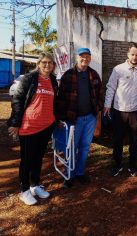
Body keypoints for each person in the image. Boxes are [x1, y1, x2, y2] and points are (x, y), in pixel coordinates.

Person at [7, 52, 58, 206]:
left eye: (50, 62)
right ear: (38, 63)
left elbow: (53, 102)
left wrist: (56, 120)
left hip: (46, 125)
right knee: (27, 160)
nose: (47, 65)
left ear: (53, 65)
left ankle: (35, 185)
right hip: (29, 126)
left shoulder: (53, 80)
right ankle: (24, 190)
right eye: (44, 62)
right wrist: (15, 123)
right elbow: (17, 100)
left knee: (38, 158)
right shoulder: (29, 79)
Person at [56, 48, 103, 188]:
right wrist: (62, 118)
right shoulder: (68, 75)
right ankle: (69, 175)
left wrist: (98, 114)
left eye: (87, 56)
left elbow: (100, 95)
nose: (85, 59)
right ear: (77, 58)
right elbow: (60, 98)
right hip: (72, 119)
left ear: (90, 58)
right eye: (82, 56)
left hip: (89, 118)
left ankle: (80, 173)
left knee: (85, 147)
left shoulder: (94, 75)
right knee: (70, 148)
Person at [104, 43, 137, 177]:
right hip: (119, 110)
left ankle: (133, 166)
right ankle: (117, 165)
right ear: (128, 55)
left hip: (135, 111)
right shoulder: (118, 69)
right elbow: (111, 87)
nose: (135, 57)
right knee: (118, 139)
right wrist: (107, 105)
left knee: (134, 140)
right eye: (133, 54)